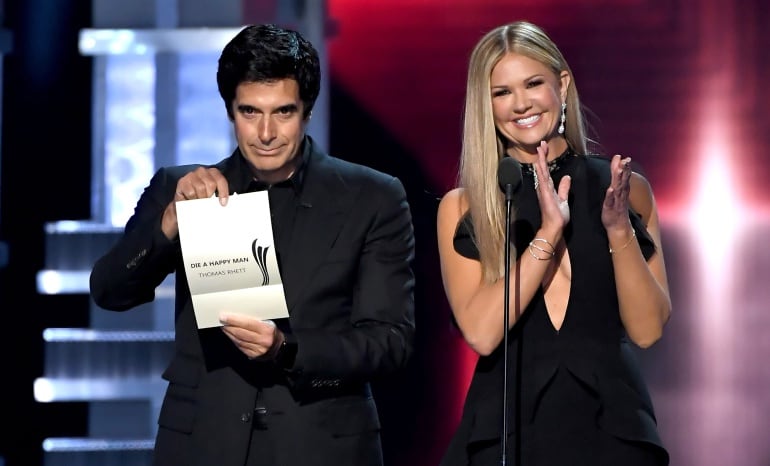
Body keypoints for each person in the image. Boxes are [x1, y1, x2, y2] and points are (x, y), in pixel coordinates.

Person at [90, 24, 416, 466]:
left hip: (320, 444)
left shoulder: (372, 196)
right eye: (249, 112)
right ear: (229, 111)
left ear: (307, 110)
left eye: (282, 112)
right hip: (203, 442)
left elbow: (389, 341)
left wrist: (287, 349)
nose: (265, 133)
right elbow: (109, 291)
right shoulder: (179, 187)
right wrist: (168, 223)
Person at [436, 21, 671, 465]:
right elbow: (484, 335)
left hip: (612, 432)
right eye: (501, 92)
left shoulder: (623, 188)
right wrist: (547, 231)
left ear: (561, 85)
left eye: (533, 84)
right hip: (507, 434)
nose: (520, 104)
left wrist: (619, 228)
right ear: (484, 105)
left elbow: (647, 329)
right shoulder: (467, 206)